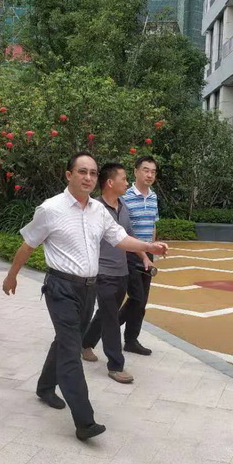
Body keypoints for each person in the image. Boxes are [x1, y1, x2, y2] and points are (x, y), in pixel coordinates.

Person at [2, 152, 168, 441]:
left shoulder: (98, 210)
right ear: (69, 175)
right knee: (71, 351)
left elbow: (119, 238)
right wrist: (11, 275)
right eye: (82, 172)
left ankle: (44, 387)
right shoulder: (50, 209)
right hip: (61, 288)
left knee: (66, 341)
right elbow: (28, 245)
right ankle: (84, 421)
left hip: (89, 288)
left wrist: (148, 247)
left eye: (92, 173)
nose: (88, 177)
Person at [81, 163, 153, 384]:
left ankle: (85, 343)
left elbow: (128, 236)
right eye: (123, 179)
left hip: (122, 271)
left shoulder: (123, 207)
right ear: (111, 183)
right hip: (102, 273)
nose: (126, 183)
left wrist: (145, 256)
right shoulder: (93, 209)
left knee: (106, 314)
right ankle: (115, 365)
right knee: (111, 318)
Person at [118, 155, 160, 356]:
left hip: (147, 255)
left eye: (153, 171)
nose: (149, 175)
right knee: (136, 298)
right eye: (146, 170)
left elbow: (152, 226)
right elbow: (124, 231)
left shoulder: (153, 197)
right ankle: (105, 327)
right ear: (135, 171)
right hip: (129, 254)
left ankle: (131, 340)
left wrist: (152, 250)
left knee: (142, 302)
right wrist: (142, 252)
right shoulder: (124, 197)